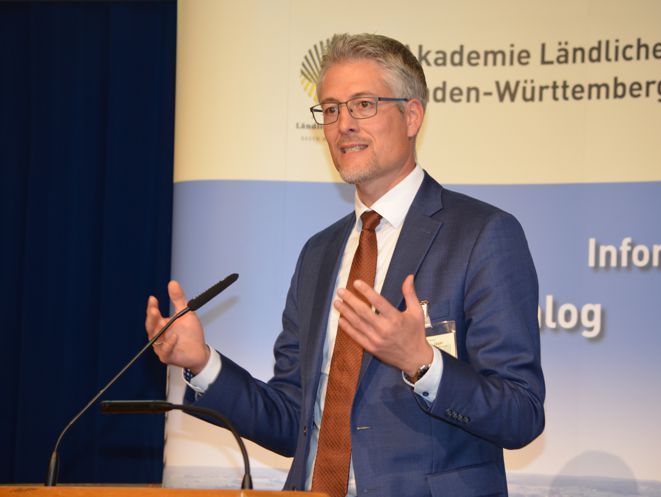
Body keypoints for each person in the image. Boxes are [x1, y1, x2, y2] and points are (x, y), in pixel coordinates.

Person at [146, 33, 544, 497]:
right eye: (331, 110)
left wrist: (422, 363)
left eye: (363, 105)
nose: (344, 125)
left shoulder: (482, 235)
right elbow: (291, 419)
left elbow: (521, 414)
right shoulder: (319, 253)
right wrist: (202, 362)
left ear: (412, 116)